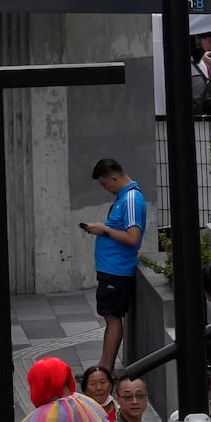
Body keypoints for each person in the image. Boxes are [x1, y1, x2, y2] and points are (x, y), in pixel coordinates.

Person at [84, 157, 148, 372]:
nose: (105, 188)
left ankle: (106, 367)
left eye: (104, 184)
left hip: (117, 270)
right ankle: (105, 365)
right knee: (110, 317)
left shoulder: (131, 199)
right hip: (111, 269)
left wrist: (105, 229)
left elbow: (133, 238)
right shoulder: (125, 198)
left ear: (114, 177)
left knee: (112, 318)